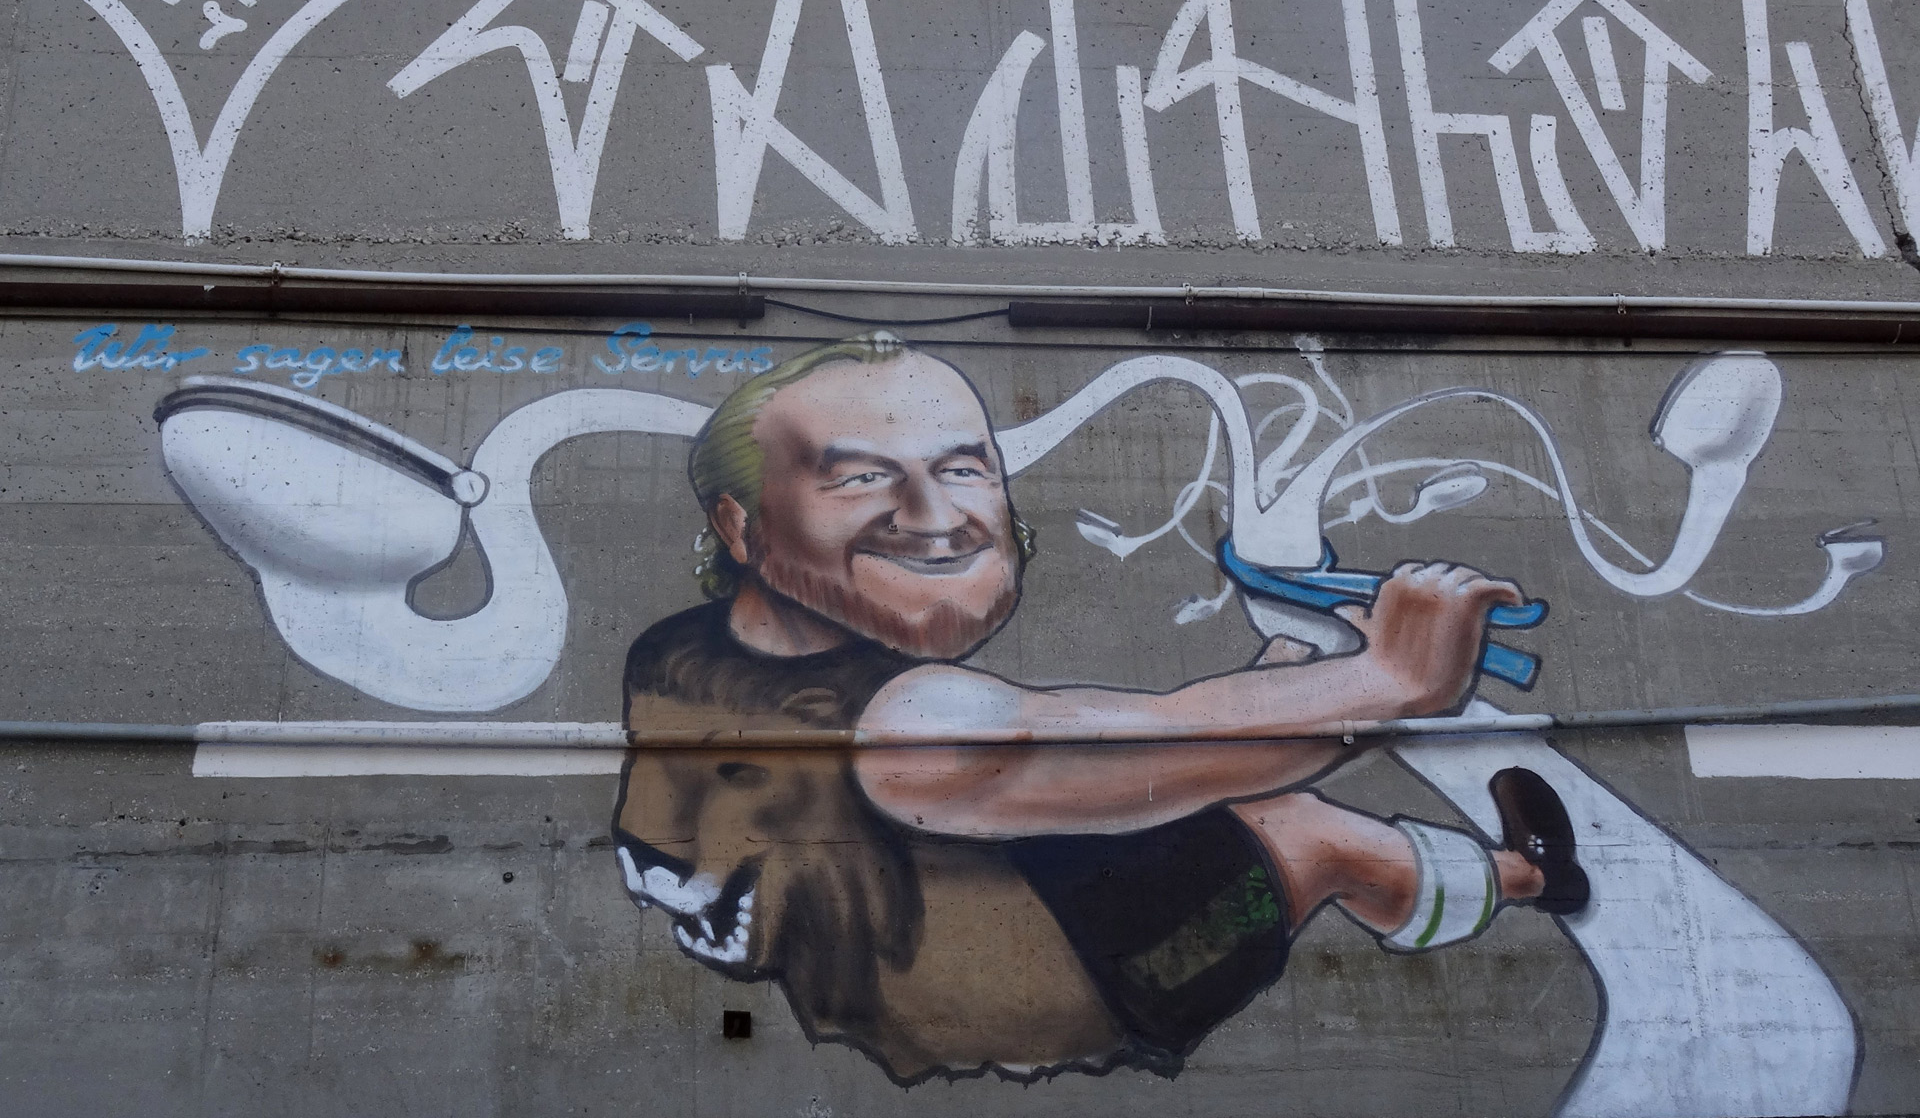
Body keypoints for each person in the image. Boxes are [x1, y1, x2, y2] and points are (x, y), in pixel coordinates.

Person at [612, 332, 1588, 1083]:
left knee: (1212, 773)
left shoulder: (682, 655)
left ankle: (1293, 695)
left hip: (931, 921)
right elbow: (1151, 748)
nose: (939, 517)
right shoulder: (911, 735)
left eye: (963, 466)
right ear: (740, 523)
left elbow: (1096, 737)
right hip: (1069, 986)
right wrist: (1395, 682)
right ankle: (1530, 876)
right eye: (861, 475)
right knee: (1302, 828)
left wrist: (1274, 693)